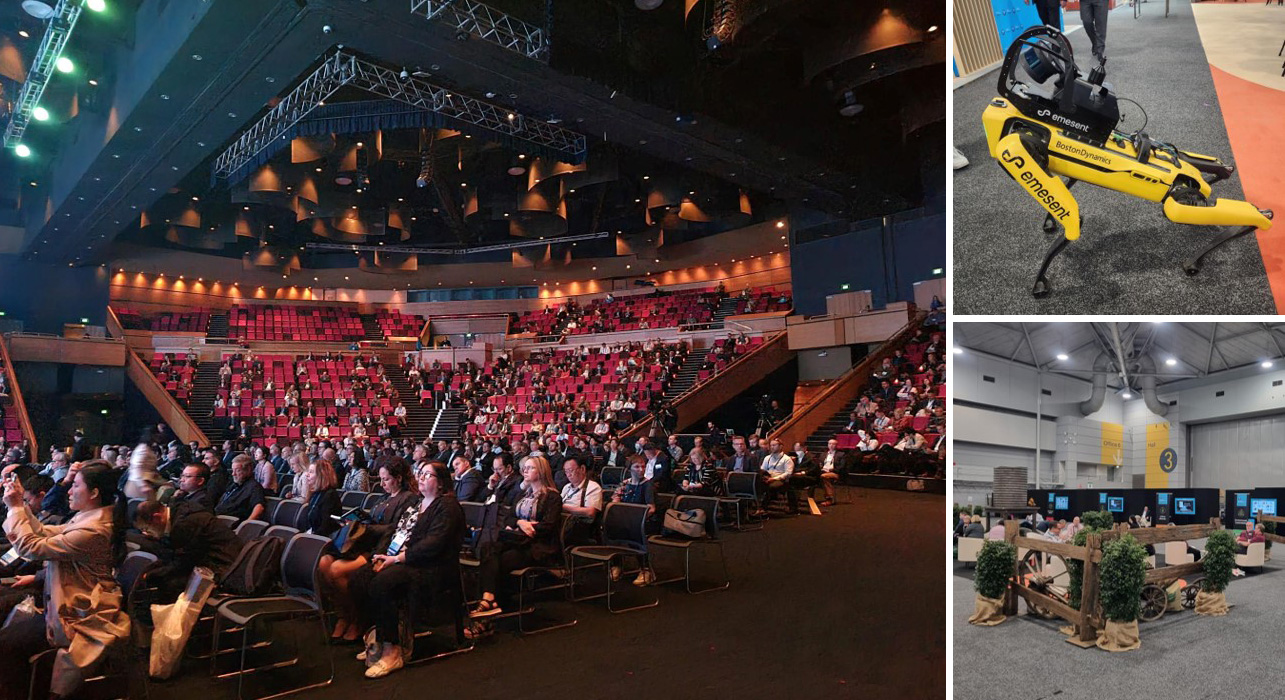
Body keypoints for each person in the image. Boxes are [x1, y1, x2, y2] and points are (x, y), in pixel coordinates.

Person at [0, 461, 131, 698]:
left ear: (94, 493)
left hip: (80, 615)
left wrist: (16, 508)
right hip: (66, 603)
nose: (69, 491)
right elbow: (42, 532)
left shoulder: (94, 529)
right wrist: (21, 504)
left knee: (7, 645)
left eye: (75, 485)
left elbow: (32, 547)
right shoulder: (89, 517)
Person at [359, 462, 465, 678]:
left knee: (383, 583)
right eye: (420, 473)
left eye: (428, 474)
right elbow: (397, 532)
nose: (422, 477)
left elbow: (433, 544)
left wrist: (397, 559)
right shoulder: (416, 503)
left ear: (441, 481)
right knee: (362, 576)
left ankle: (393, 651)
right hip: (406, 560)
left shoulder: (447, 507)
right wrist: (383, 556)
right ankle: (380, 637)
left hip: (433, 567)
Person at [320, 459, 421, 643]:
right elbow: (374, 523)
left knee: (336, 570)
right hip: (364, 544)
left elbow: (396, 530)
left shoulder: (408, 498)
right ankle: (345, 615)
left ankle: (358, 618)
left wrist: (367, 527)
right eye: (381, 479)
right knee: (324, 562)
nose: (381, 484)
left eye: (386, 479)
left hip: (380, 549)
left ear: (398, 478)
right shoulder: (384, 497)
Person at [469, 456, 563, 629]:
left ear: (541, 471)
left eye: (530, 468)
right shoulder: (522, 493)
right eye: (524, 468)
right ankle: (489, 600)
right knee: (488, 548)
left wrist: (528, 527)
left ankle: (487, 611)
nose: (525, 471)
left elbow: (548, 526)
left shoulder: (553, 497)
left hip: (536, 546)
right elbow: (510, 517)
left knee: (497, 561)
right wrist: (521, 523)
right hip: (516, 540)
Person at [130, 499, 242, 603]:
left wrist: (152, 575)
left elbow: (183, 563)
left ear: (157, 518)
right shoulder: (180, 514)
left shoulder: (185, 524)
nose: (146, 533)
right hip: (215, 560)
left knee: (169, 582)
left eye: (146, 528)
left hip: (224, 568)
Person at [216, 454, 266, 523]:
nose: (233, 474)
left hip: (231, 524)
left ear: (248, 470)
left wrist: (245, 526)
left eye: (237, 470)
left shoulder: (254, 487)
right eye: (233, 470)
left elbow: (259, 508)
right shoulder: (235, 484)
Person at [302, 458, 343, 537]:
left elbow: (326, 527)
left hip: (322, 540)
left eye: (311, 472)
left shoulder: (330, 496)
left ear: (322, 475)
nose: (307, 474)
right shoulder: (315, 493)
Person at [757, 438, 795, 515]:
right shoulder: (767, 458)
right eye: (771, 445)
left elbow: (788, 473)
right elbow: (762, 469)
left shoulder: (787, 459)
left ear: (781, 446)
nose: (772, 447)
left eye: (774, 445)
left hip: (780, 480)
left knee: (770, 487)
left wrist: (773, 478)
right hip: (767, 478)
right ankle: (757, 506)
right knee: (756, 484)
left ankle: (763, 508)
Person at [818, 439, 847, 506]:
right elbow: (819, 463)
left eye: (833, 444)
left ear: (836, 445)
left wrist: (831, 470)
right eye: (830, 444)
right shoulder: (823, 454)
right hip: (823, 470)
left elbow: (842, 466)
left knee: (824, 477)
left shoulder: (841, 454)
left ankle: (829, 499)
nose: (831, 445)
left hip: (835, 472)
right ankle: (810, 497)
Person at [1080, 0, 1108, 65]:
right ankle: (1095, 43)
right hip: (1085, 1)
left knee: (1101, 24)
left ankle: (1100, 49)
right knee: (1087, 22)